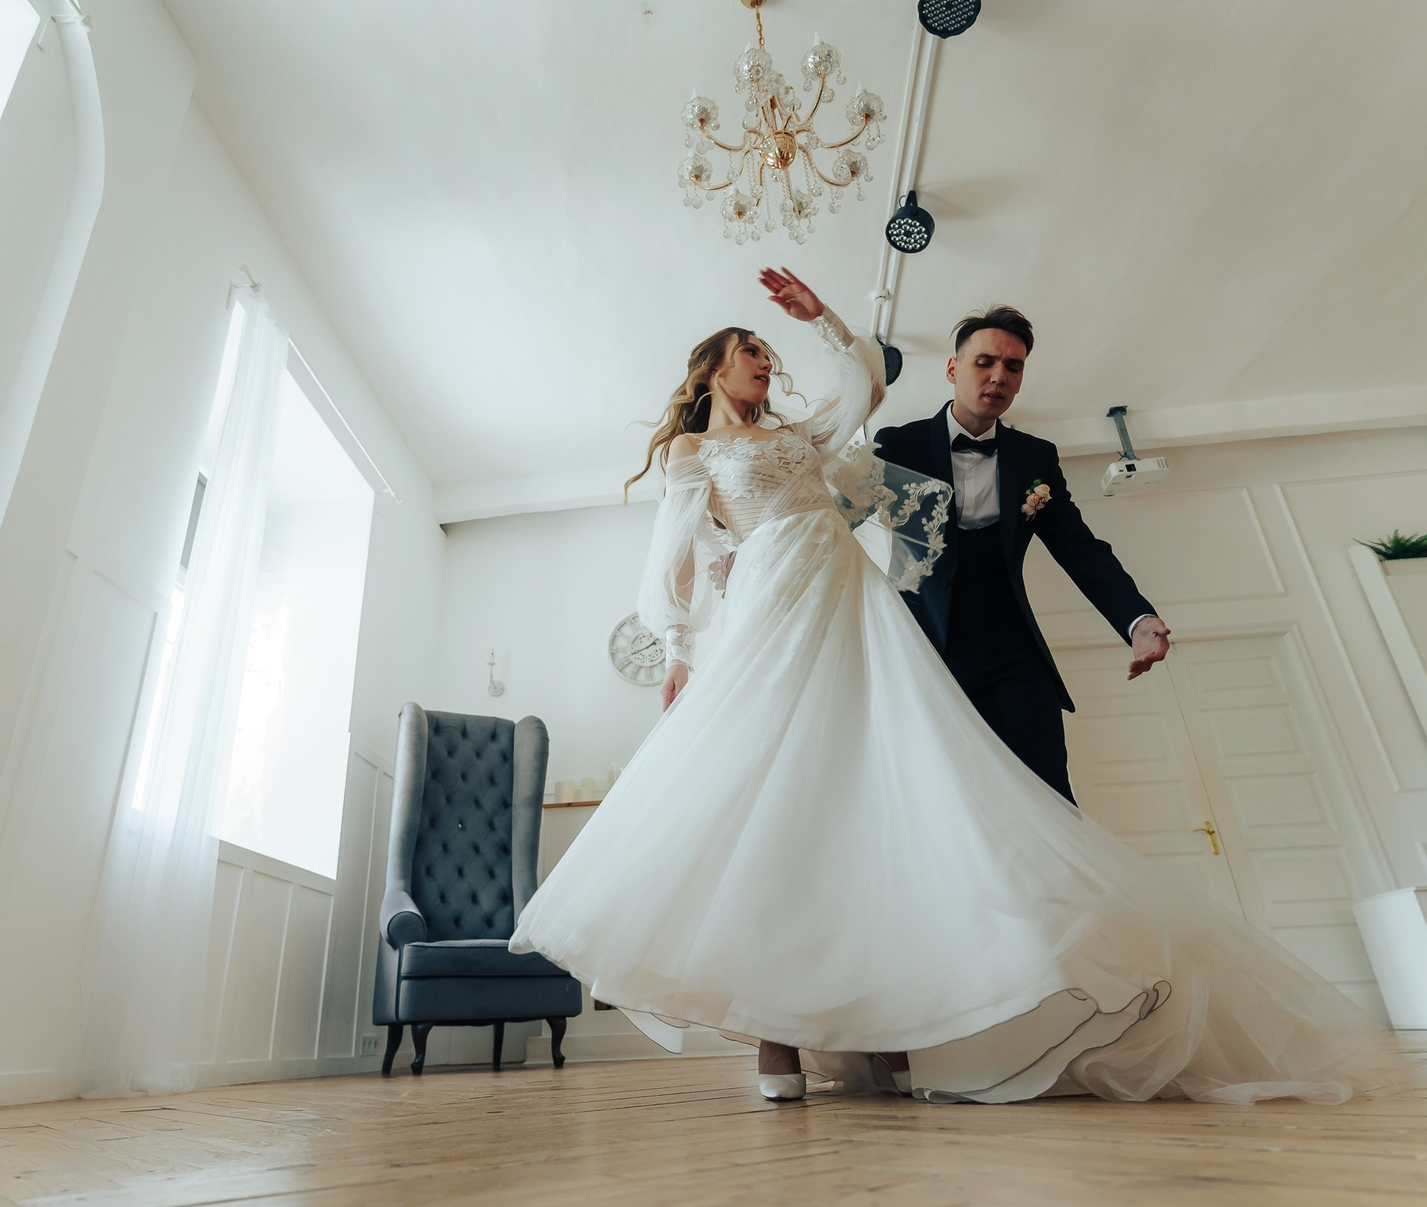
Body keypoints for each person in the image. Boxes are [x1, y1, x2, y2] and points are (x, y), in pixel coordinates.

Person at [509, 268, 1374, 1104]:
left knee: (880, 802)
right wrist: (677, 650)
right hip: (775, 609)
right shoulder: (695, 452)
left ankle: (907, 1015)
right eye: (752, 351)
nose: (767, 362)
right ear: (711, 369)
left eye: (771, 351)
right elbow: (674, 557)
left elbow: (864, 385)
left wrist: (822, 317)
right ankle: (778, 1027)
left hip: (858, 612)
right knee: (783, 798)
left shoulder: (806, 436)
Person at [873, 308, 1169, 802]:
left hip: (1012, 652)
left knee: (1048, 791)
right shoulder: (897, 444)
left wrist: (1136, 619)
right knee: (941, 797)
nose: (999, 376)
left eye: (1013, 367)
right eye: (984, 362)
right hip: (924, 648)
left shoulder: (1036, 457)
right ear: (952, 369)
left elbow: (1078, 547)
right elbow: (837, 521)